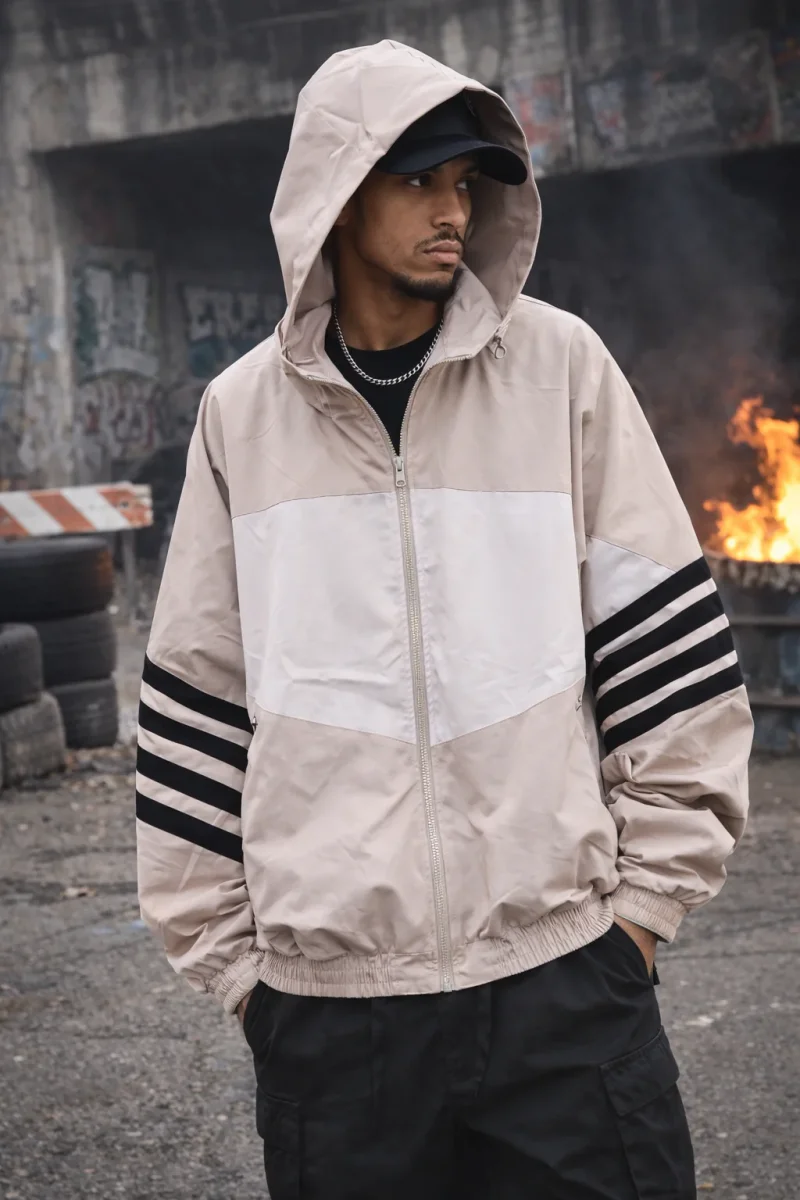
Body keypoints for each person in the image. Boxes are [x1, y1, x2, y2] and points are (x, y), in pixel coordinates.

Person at [136, 40, 753, 1199]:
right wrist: (241, 977)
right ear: (337, 193)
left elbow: (668, 653)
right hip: (334, 1024)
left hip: (561, 990)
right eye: (418, 180)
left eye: (466, 183)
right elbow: (195, 699)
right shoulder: (240, 417)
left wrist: (639, 919)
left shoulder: (559, 370)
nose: (453, 212)